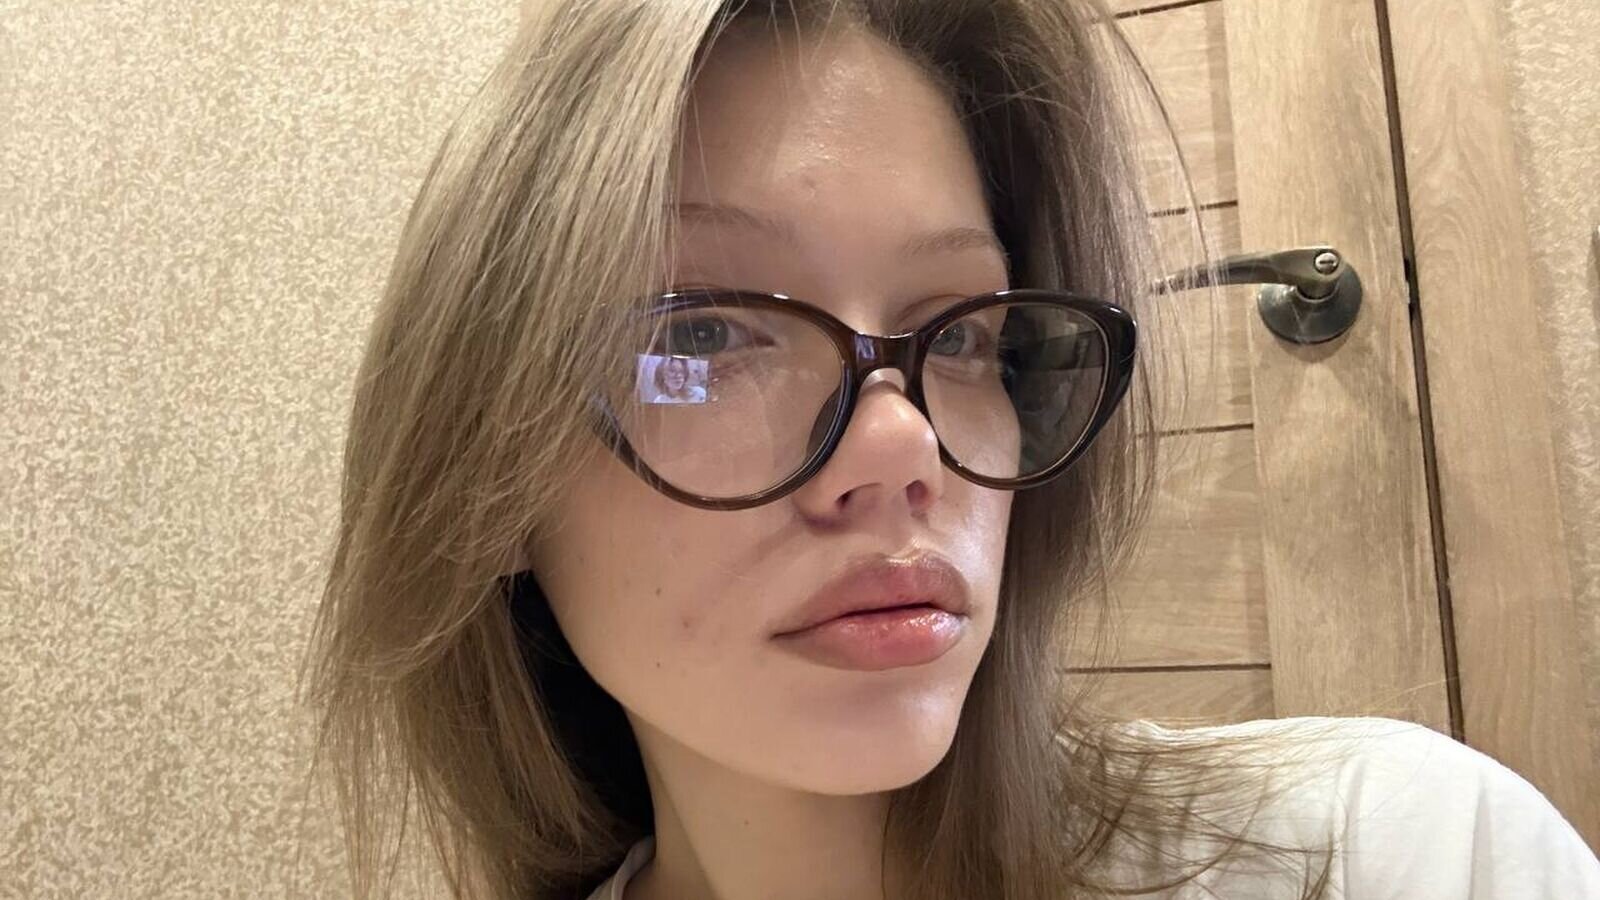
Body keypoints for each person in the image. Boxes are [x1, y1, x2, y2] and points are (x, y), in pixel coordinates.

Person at [303, 1, 1600, 898]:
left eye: (963, 335)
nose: (901, 442)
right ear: (490, 483)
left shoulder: (1396, 855)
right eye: (703, 331)